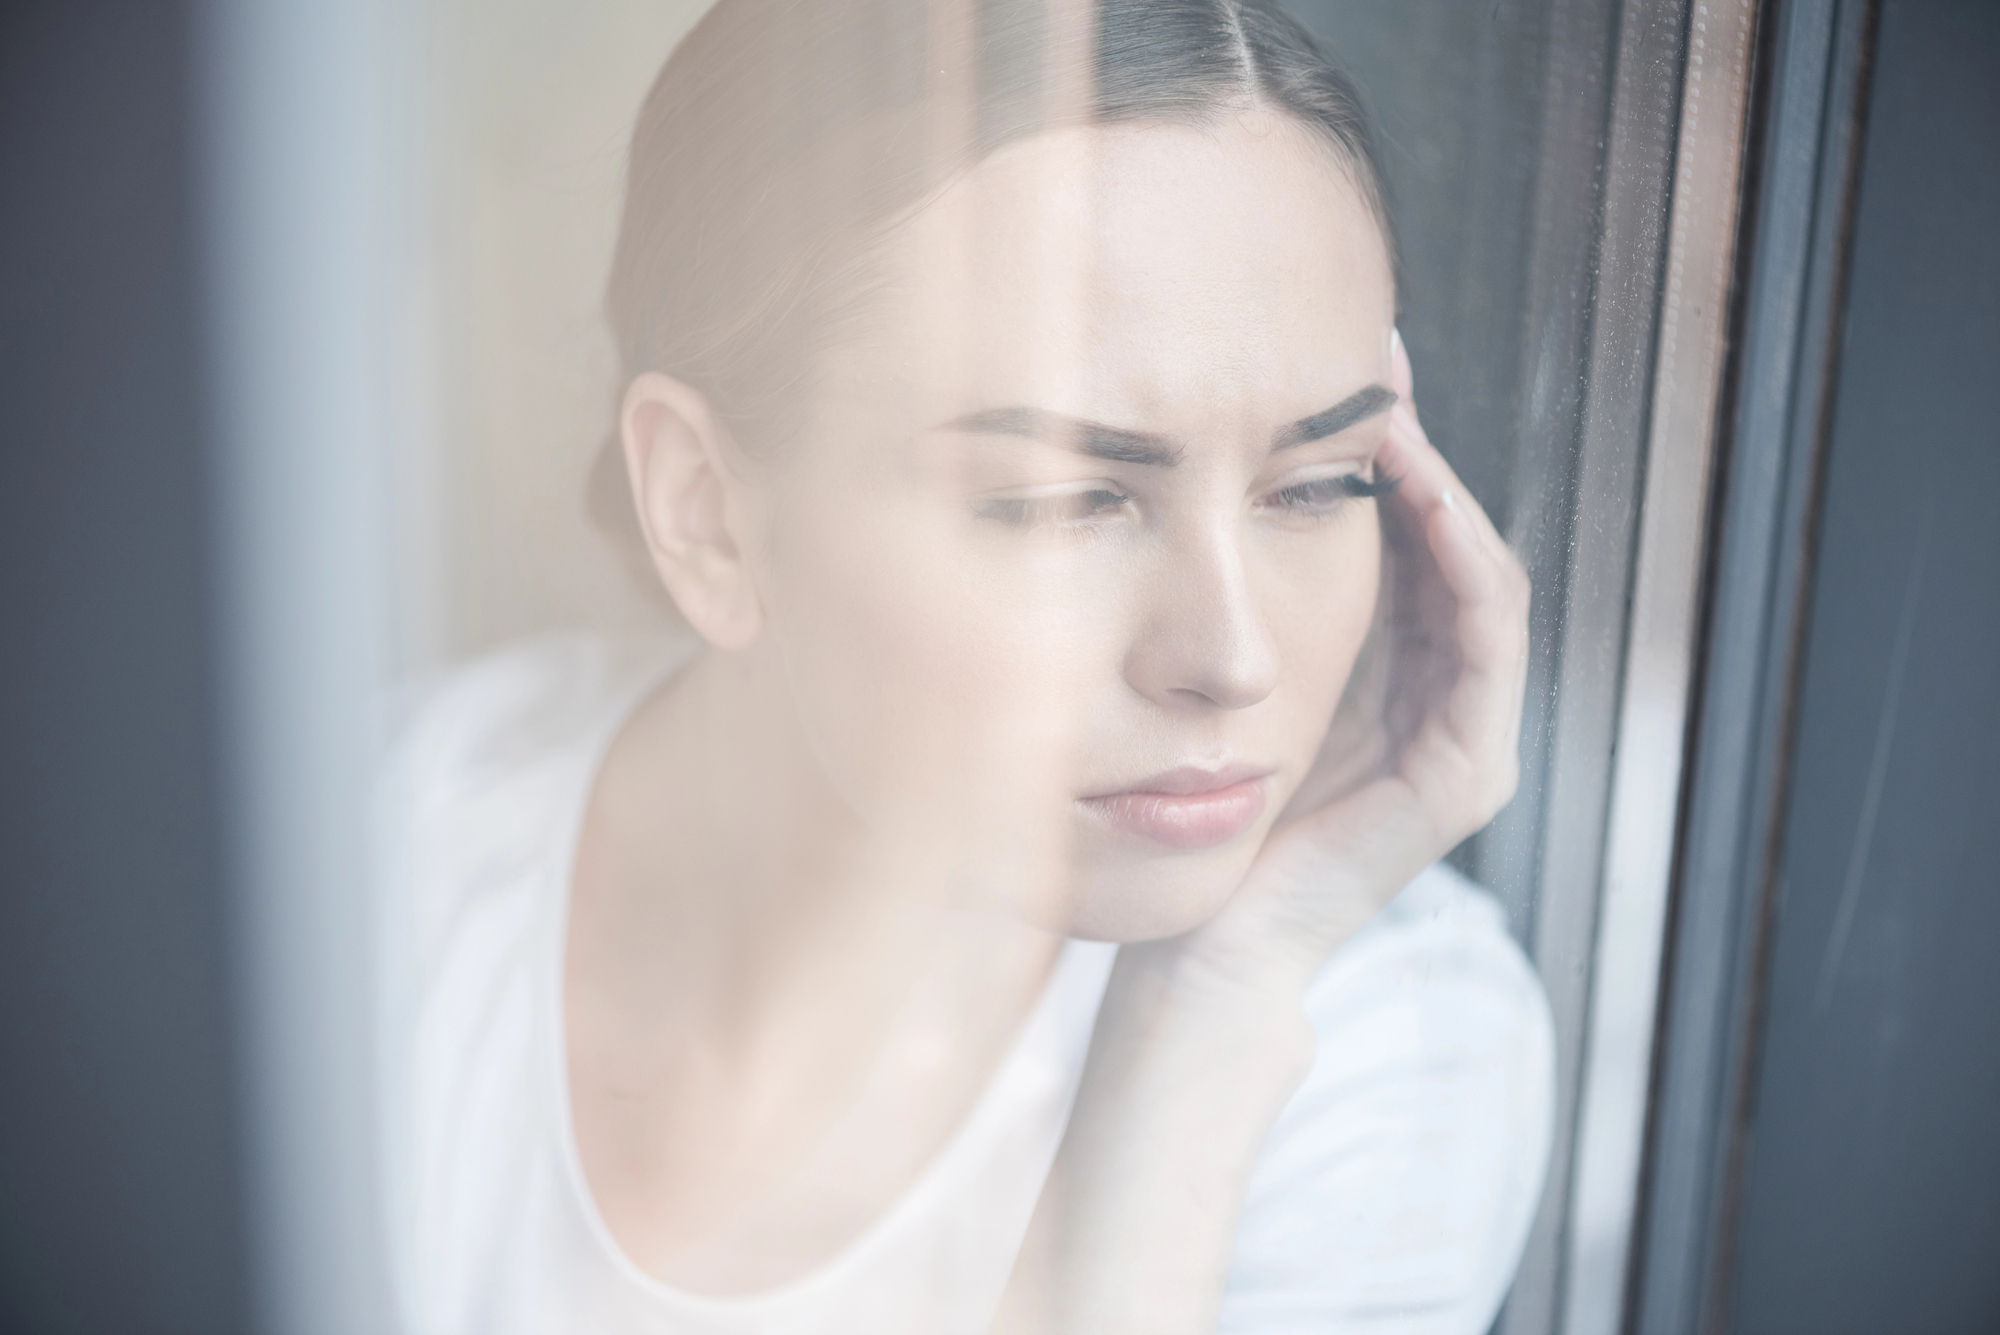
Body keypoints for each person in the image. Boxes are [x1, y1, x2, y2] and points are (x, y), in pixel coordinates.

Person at [378, 1, 1554, 1331]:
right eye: (1066, 501)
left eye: (1322, 482)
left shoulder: (1389, 1053)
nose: (1231, 658)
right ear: (709, 509)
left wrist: (1199, 1030)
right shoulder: (349, 877)